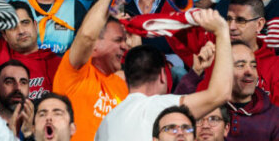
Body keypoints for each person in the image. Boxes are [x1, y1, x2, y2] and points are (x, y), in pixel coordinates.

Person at [93, 16, 232, 141]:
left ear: (127, 78)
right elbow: (220, 94)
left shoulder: (108, 120)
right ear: (162, 75)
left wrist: (196, 72)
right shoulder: (155, 106)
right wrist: (222, 33)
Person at [179, 0, 279, 116]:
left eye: (241, 20)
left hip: (256, 133)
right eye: (229, 19)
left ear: (259, 24)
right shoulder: (210, 49)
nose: (231, 27)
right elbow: (172, 24)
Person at [52, 0, 132, 141]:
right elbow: (87, 35)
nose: (125, 46)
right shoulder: (74, 71)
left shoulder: (122, 85)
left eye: (125, 40)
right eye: (118, 40)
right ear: (96, 43)